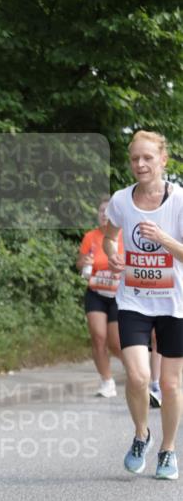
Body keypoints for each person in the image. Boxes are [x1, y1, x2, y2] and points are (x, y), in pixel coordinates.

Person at [103, 131, 183, 480]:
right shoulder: (121, 200)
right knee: (137, 377)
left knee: (170, 384)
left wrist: (164, 239)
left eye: (148, 158)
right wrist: (113, 257)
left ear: (163, 160)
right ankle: (141, 434)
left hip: (174, 303)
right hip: (134, 299)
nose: (140, 164)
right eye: (135, 158)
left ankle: (168, 450)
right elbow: (108, 237)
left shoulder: (179, 200)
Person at [77, 197, 123, 397]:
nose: (104, 215)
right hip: (95, 292)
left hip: (118, 293)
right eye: (101, 211)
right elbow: (80, 264)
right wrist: (84, 261)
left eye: (107, 211)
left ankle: (136, 369)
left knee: (116, 343)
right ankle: (107, 382)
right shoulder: (90, 236)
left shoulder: (123, 236)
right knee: (98, 337)